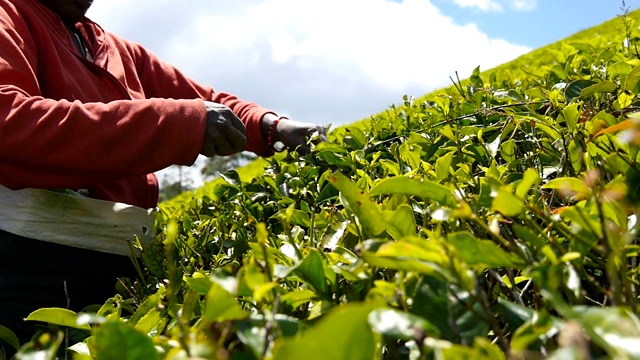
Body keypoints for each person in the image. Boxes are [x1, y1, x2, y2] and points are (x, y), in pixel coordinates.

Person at [0, 0, 327, 349]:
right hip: (28, 269)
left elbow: (205, 99)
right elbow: (10, 123)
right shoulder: (10, 13)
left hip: (125, 270)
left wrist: (272, 127)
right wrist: (178, 124)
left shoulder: (113, 48)